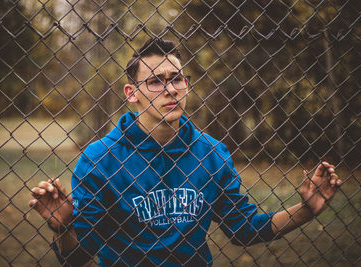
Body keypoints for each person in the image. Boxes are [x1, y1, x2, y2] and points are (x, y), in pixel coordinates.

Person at [28, 38, 341, 266]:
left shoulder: (212, 154)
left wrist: (306, 211)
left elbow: (243, 229)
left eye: (176, 78)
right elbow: (75, 258)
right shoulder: (100, 159)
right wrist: (65, 227)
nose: (170, 89)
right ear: (131, 93)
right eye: (154, 81)